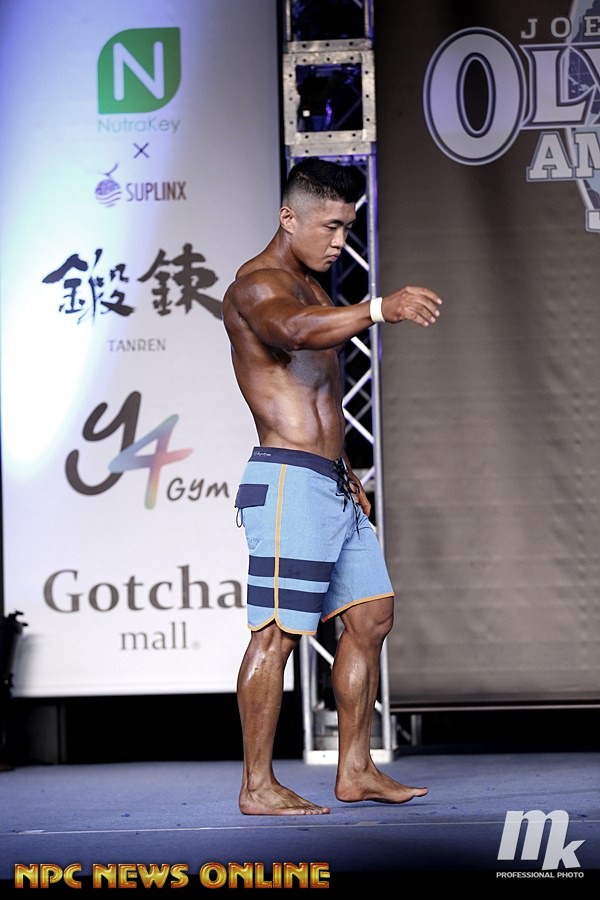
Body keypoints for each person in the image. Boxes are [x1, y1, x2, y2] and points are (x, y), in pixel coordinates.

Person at [222, 157, 442, 816]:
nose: (341, 240)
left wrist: (345, 468)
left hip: (330, 482)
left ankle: (355, 770)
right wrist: (380, 308)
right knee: (277, 635)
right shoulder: (256, 287)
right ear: (288, 217)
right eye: (330, 226)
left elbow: (320, 392)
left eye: (348, 227)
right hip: (288, 482)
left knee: (372, 617)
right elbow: (290, 332)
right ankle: (257, 785)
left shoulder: (314, 287)